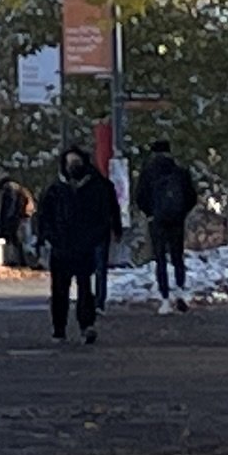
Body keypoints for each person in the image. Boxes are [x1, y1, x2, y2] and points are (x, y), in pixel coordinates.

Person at [33, 143, 119, 344]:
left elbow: (105, 214)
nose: (73, 166)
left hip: (84, 246)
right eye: (70, 163)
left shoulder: (96, 186)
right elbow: (44, 217)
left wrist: (97, 236)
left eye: (76, 162)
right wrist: (49, 237)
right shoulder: (55, 189)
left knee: (84, 288)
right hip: (61, 247)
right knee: (59, 290)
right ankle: (59, 328)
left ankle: (86, 325)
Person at [134, 138, 201, 311]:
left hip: (157, 220)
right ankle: (180, 291)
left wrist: (150, 214)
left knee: (160, 259)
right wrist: (182, 213)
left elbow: (140, 196)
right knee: (178, 257)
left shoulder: (148, 172)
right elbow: (191, 197)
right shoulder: (180, 172)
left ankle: (164, 298)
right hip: (177, 220)